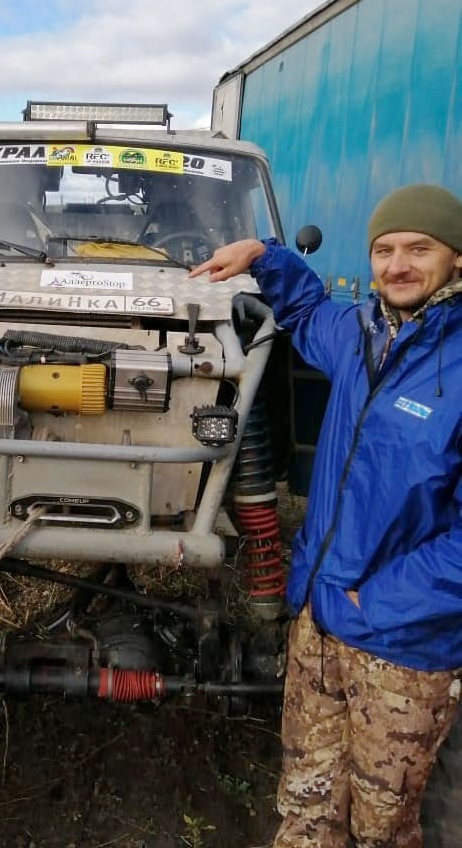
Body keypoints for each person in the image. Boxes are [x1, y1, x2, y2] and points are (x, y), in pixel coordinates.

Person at [189, 184, 461, 848]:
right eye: (385, 249)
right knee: (307, 802)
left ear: (457, 259)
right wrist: (263, 253)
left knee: (382, 827)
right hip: (317, 622)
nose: (398, 264)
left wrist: (374, 600)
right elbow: (307, 305)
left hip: (402, 647)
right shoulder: (359, 333)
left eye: (418, 249)